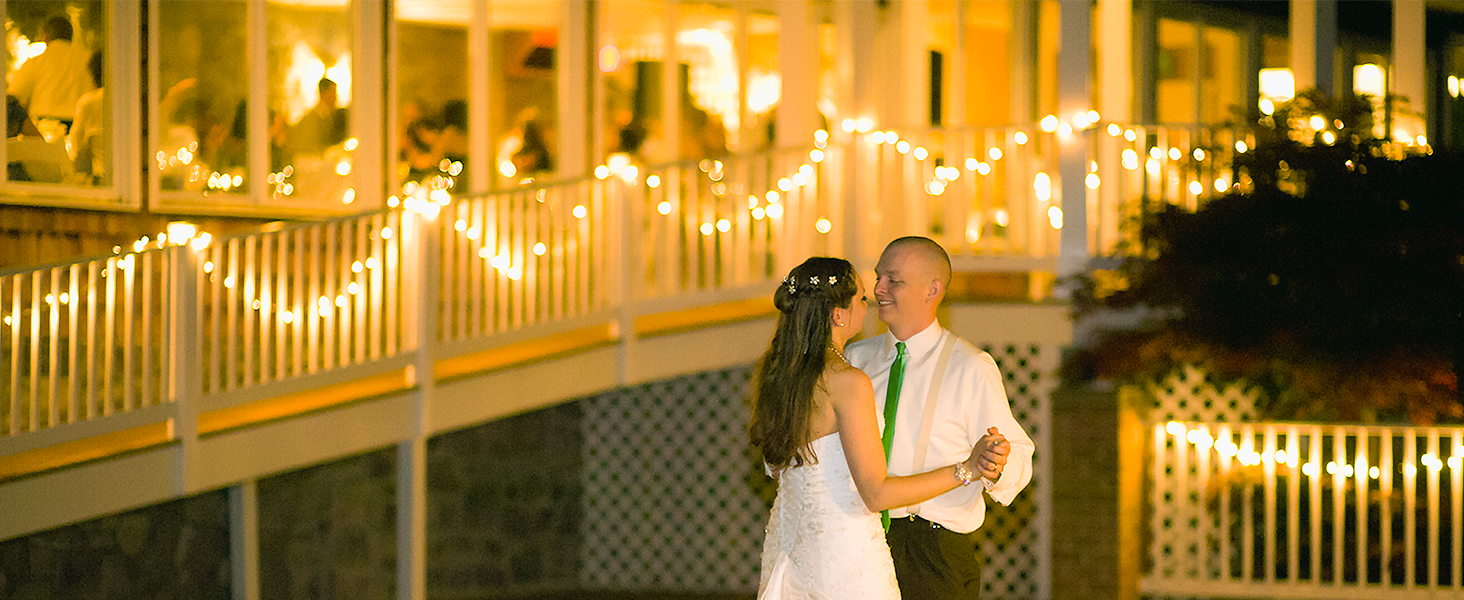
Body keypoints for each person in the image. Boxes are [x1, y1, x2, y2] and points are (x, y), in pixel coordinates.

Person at [750, 256, 1006, 599]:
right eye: (860, 298)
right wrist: (967, 469)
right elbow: (876, 494)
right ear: (838, 314)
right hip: (845, 552)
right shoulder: (848, 380)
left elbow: (778, 469)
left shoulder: (781, 375)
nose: (869, 300)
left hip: (793, 547)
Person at [845, 236, 1035, 599]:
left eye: (893, 280)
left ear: (933, 290)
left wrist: (994, 465)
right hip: (859, 540)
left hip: (932, 552)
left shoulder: (970, 367)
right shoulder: (856, 360)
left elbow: (1020, 454)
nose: (879, 289)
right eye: (878, 277)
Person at [9, 16, 95, 135]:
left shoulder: (35, 63)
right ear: (71, 36)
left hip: (43, 128)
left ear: (46, 35)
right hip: (80, 127)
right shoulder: (87, 61)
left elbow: (15, 96)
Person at [289, 77, 348, 156]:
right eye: (333, 92)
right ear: (323, 93)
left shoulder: (335, 116)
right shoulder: (310, 120)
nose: (336, 97)